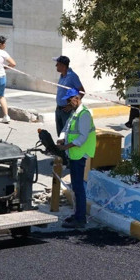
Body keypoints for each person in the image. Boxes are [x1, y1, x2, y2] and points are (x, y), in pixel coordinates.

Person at [56, 88, 96, 229]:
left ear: (76, 99)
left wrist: (66, 146)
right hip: (73, 154)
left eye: (69, 100)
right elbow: (66, 129)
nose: (68, 103)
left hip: (79, 154)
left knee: (78, 188)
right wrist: (61, 139)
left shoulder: (84, 114)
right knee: (75, 186)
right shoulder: (74, 113)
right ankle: (77, 214)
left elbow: (83, 137)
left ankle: (80, 219)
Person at [54, 56, 85, 133]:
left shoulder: (72, 76)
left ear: (63, 66)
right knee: (60, 135)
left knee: (67, 134)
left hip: (67, 111)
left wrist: (72, 105)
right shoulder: (62, 76)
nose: (56, 66)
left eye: (58, 64)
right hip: (59, 109)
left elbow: (82, 91)